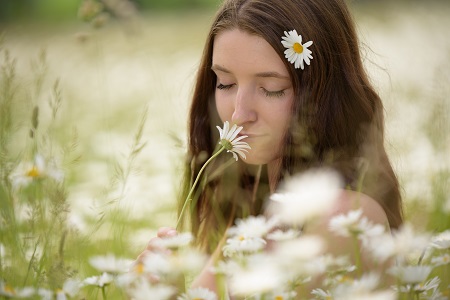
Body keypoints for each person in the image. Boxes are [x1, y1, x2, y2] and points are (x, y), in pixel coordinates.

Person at [140, 0, 403, 295]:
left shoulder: (343, 218)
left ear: (323, 93)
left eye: (271, 89)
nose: (239, 114)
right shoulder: (255, 208)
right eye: (225, 83)